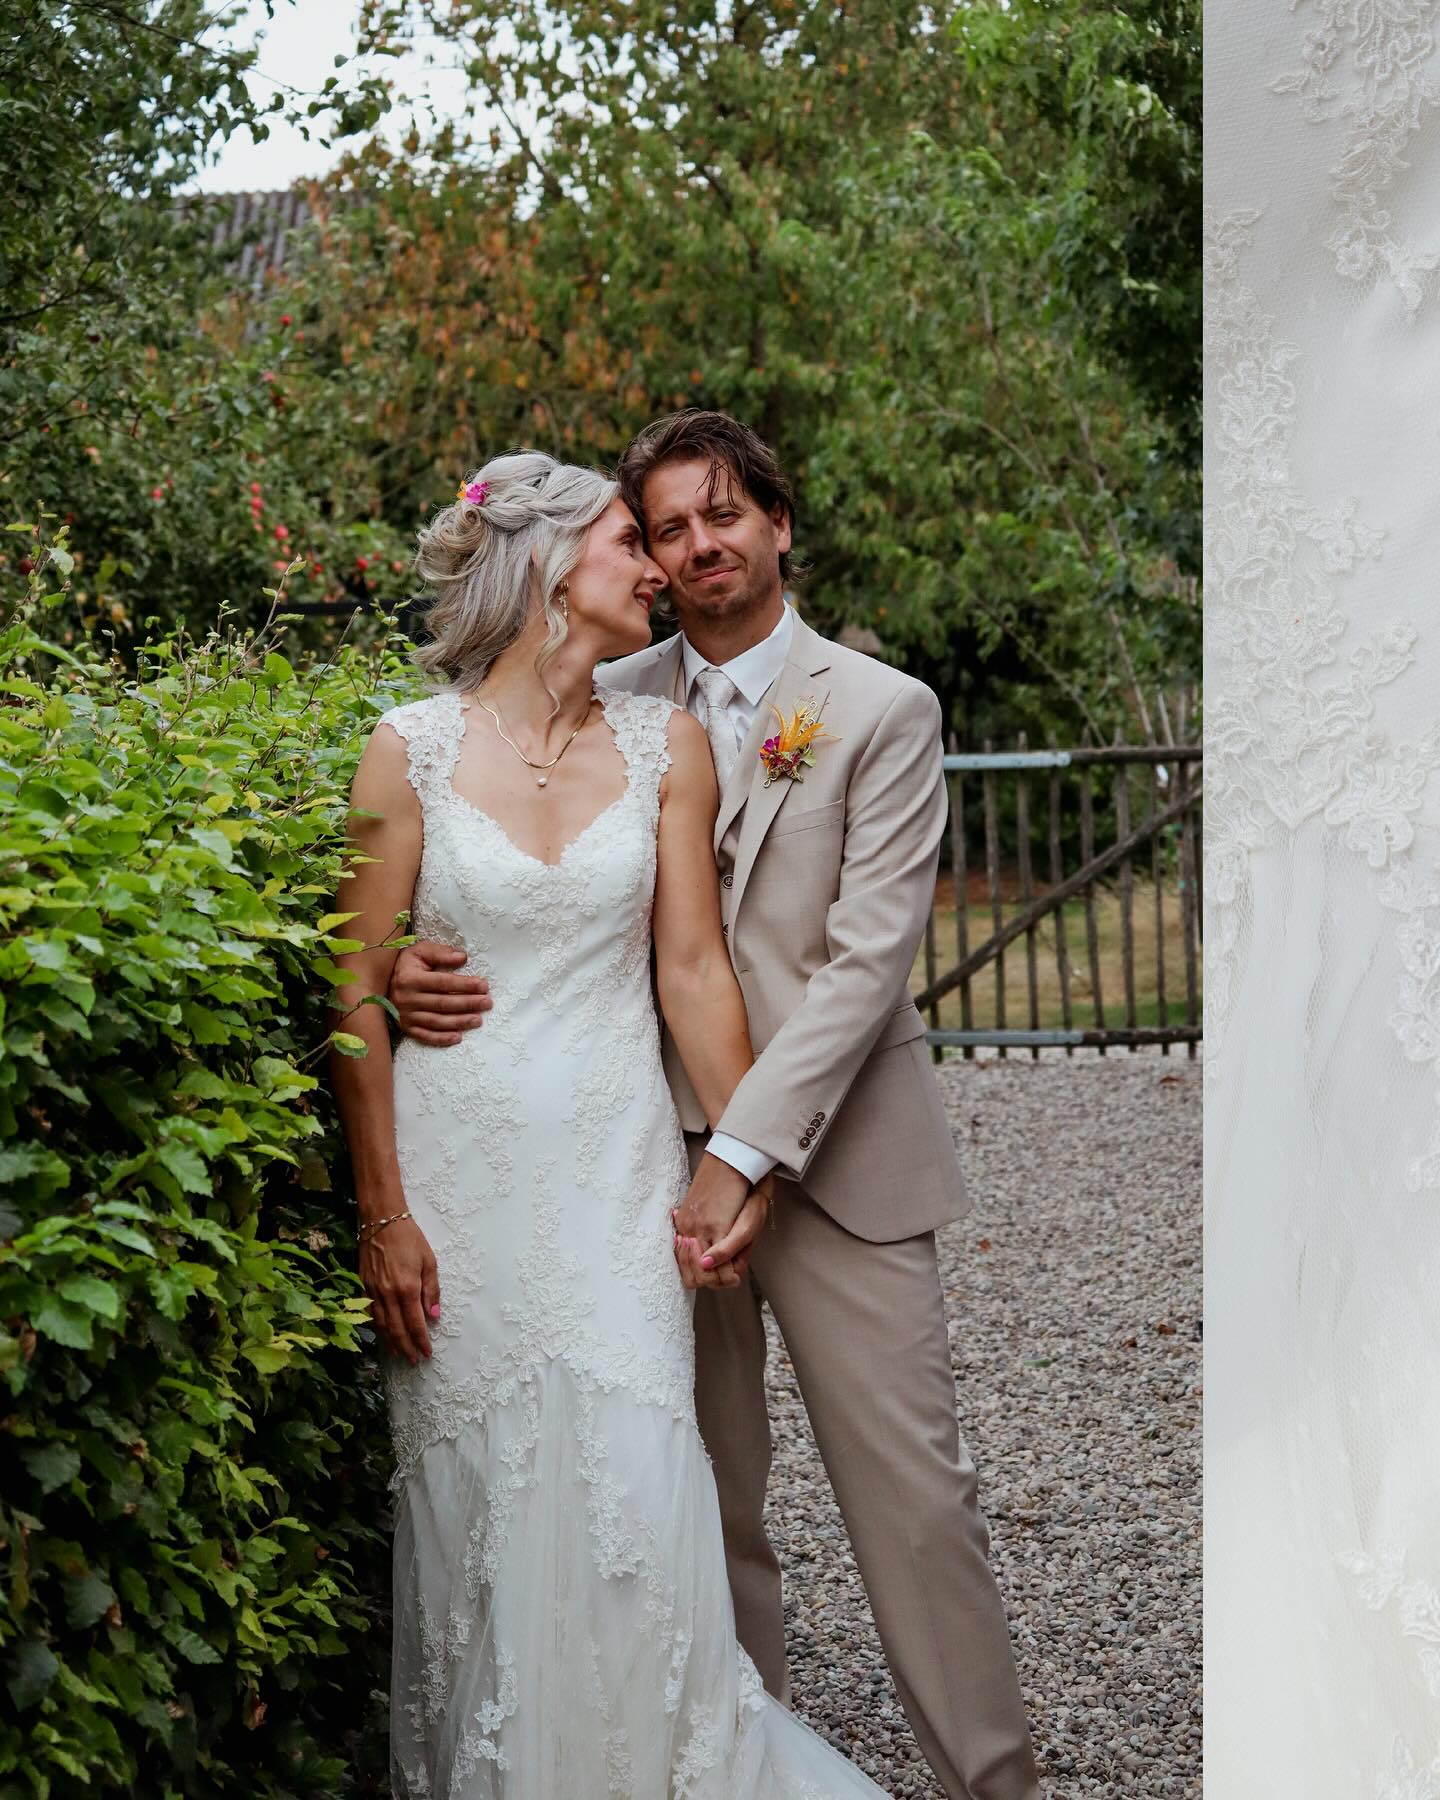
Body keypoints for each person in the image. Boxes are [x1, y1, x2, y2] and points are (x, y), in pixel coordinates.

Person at [391, 411, 1043, 1800]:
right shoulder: (602, 684)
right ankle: (727, 1761)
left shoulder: (880, 709)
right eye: (666, 527)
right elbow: (498, 860)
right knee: (698, 1502)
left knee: (915, 1500)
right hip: (632, 1168)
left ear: (779, 522)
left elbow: (867, 967)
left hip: (833, 1161)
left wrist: (743, 1153)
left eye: (721, 516)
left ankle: (994, 1781)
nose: (693, 547)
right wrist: (398, 955)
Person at [328, 450, 890, 1796]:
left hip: (615, 1174)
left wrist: (739, 1164)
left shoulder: (665, 745)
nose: (653, 566)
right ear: (545, 571)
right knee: (482, 1513)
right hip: (461, 1187)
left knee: (639, 1487)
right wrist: (386, 1216)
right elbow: (353, 988)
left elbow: (691, 970)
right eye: (626, 544)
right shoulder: (406, 750)